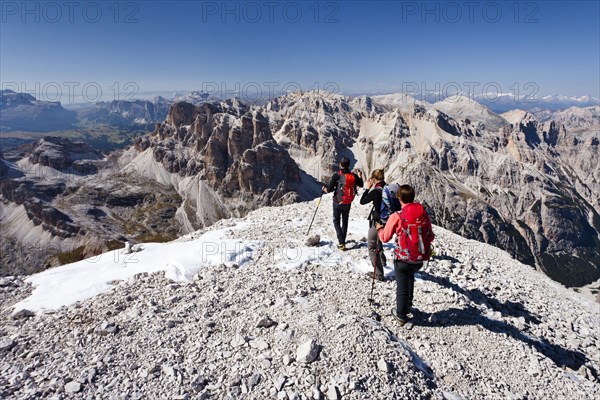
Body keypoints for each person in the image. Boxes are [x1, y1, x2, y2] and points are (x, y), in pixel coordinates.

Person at [377, 184, 435, 326]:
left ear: (399, 198)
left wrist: (379, 228)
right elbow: (431, 236)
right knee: (410, 277)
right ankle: (408, 305)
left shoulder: (396, 216)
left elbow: (384, 238)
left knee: (402, 285)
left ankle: (401, 315)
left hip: (403, 259)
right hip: (420, 258)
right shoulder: (423, 213)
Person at [323, 157, 363, 250]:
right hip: (348, 202)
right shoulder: (353, 175)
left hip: (337, 201)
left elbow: (329, 189)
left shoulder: (337, 175)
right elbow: (361, 184)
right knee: (345, 221)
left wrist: (324, 189)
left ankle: (341, 242)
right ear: (349, 165)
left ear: (340, 164)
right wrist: (360, 176)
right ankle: (343, 241)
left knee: (336, 221)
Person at [359, 169, 387, 282]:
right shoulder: (387, 188)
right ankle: (383, 262)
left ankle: (379, 274)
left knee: (371, 246)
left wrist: (367, 188)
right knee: (378, 242)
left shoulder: (375, 191)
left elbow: (362, 201)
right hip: (388, 220)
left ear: (374, 179)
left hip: (378, 221)